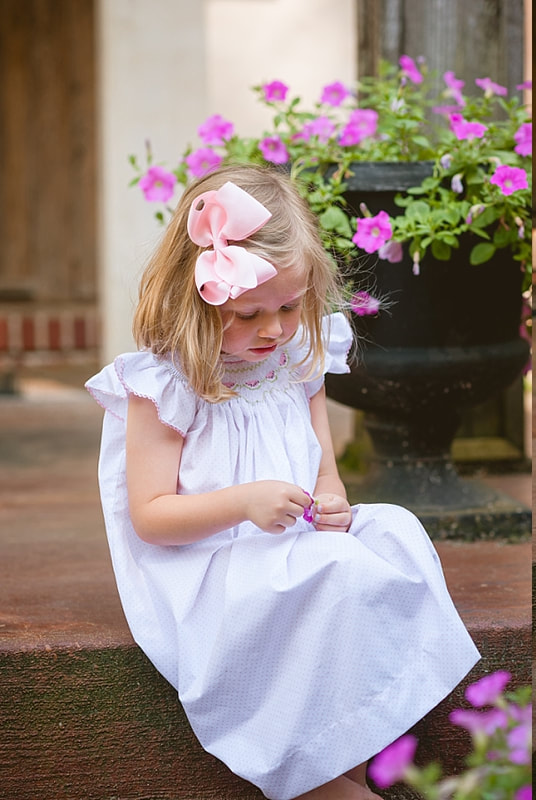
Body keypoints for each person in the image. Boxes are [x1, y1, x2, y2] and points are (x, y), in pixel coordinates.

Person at [86, 164, 480, 800]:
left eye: (289, 307)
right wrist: (243, 503)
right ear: (195, 303)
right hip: (212, 562)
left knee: (393, 536)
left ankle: (345, 749)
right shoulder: (165, 384)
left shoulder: (296, 354)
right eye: (247, 314)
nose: (271, 329)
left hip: (290, 536)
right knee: (331, 576)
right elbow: (151, 517)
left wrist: (332, 497)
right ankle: (317, 780)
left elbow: (321, 459)